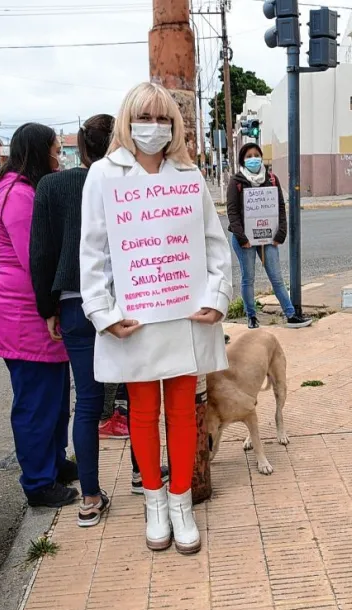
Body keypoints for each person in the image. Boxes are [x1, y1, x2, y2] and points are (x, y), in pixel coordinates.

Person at [80, 82, 232, 554]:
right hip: (135, 321)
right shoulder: (103, 176)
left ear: (175, 125)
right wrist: (103, 313)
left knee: (184, 415)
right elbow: (94, 253)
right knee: (143, 414)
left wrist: (218, 295)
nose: (155, 127)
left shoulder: (189, 175)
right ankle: (155, 504)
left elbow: (214, 245)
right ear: (128, 121)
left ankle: (182, 502)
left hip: (185, 317)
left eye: (164, 119)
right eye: (145, 117)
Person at [0, 123, 75, 508]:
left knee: (53, 395)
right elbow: (35, 256)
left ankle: (53, 464)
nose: (59, 156)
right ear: (38, 152)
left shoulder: (24, 188)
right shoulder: (18, 195)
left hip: (32, 311)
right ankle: (38, 483)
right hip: (23, 316)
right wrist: (50, 307)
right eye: (55, 149)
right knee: (36, 403)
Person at [30, 114, 116, 526]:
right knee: (135, 392)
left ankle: (90, 498)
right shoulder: (122, 181)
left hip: (73, 301)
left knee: (87, 401)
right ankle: (141, 476)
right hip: (123, 298)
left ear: (80, 146)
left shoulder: (52, 186)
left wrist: (47, 309)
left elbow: (41, 253)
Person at [226, 142, 311, 330]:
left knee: (277, 278)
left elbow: (280, 207)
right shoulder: (236, 181)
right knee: (248, 278)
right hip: (245, 241)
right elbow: (232, 212)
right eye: (248, 156)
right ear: (242, 160)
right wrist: (243, 238)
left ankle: (290, 315)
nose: (253, 158)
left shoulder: (272, 179)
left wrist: (280, 234)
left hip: (269, 238)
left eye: (256, 154)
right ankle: (251, 316)